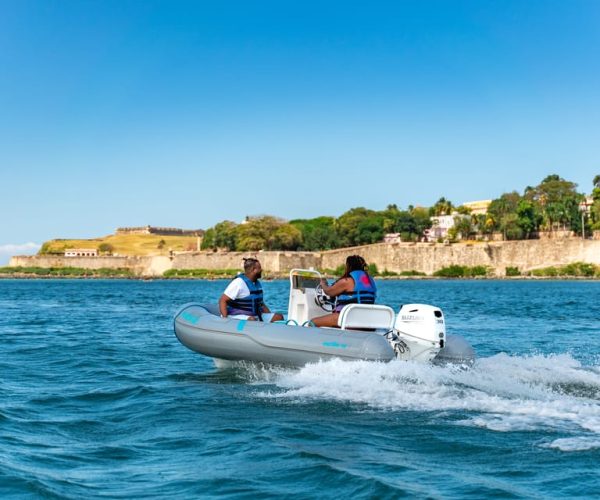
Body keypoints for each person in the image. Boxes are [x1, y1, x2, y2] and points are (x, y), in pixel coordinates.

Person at [311, 255, 377, 327]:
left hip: (347, 318)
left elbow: (329, 291)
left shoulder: (346, 281)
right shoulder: (371, 281)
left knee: (312, 322)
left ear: (349, 266)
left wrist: (323, 284)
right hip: (367, 320)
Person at [218, 258, 284, 322]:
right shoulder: (239, 282)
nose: (261, 270)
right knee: (252, 320)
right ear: (253, 269)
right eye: (260, 268)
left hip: (255, 316)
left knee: (278, 317)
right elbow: (222, 300)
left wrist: (269, 315)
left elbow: (261, 304)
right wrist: (225, 319)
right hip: (236, 316)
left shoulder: (256, 283)